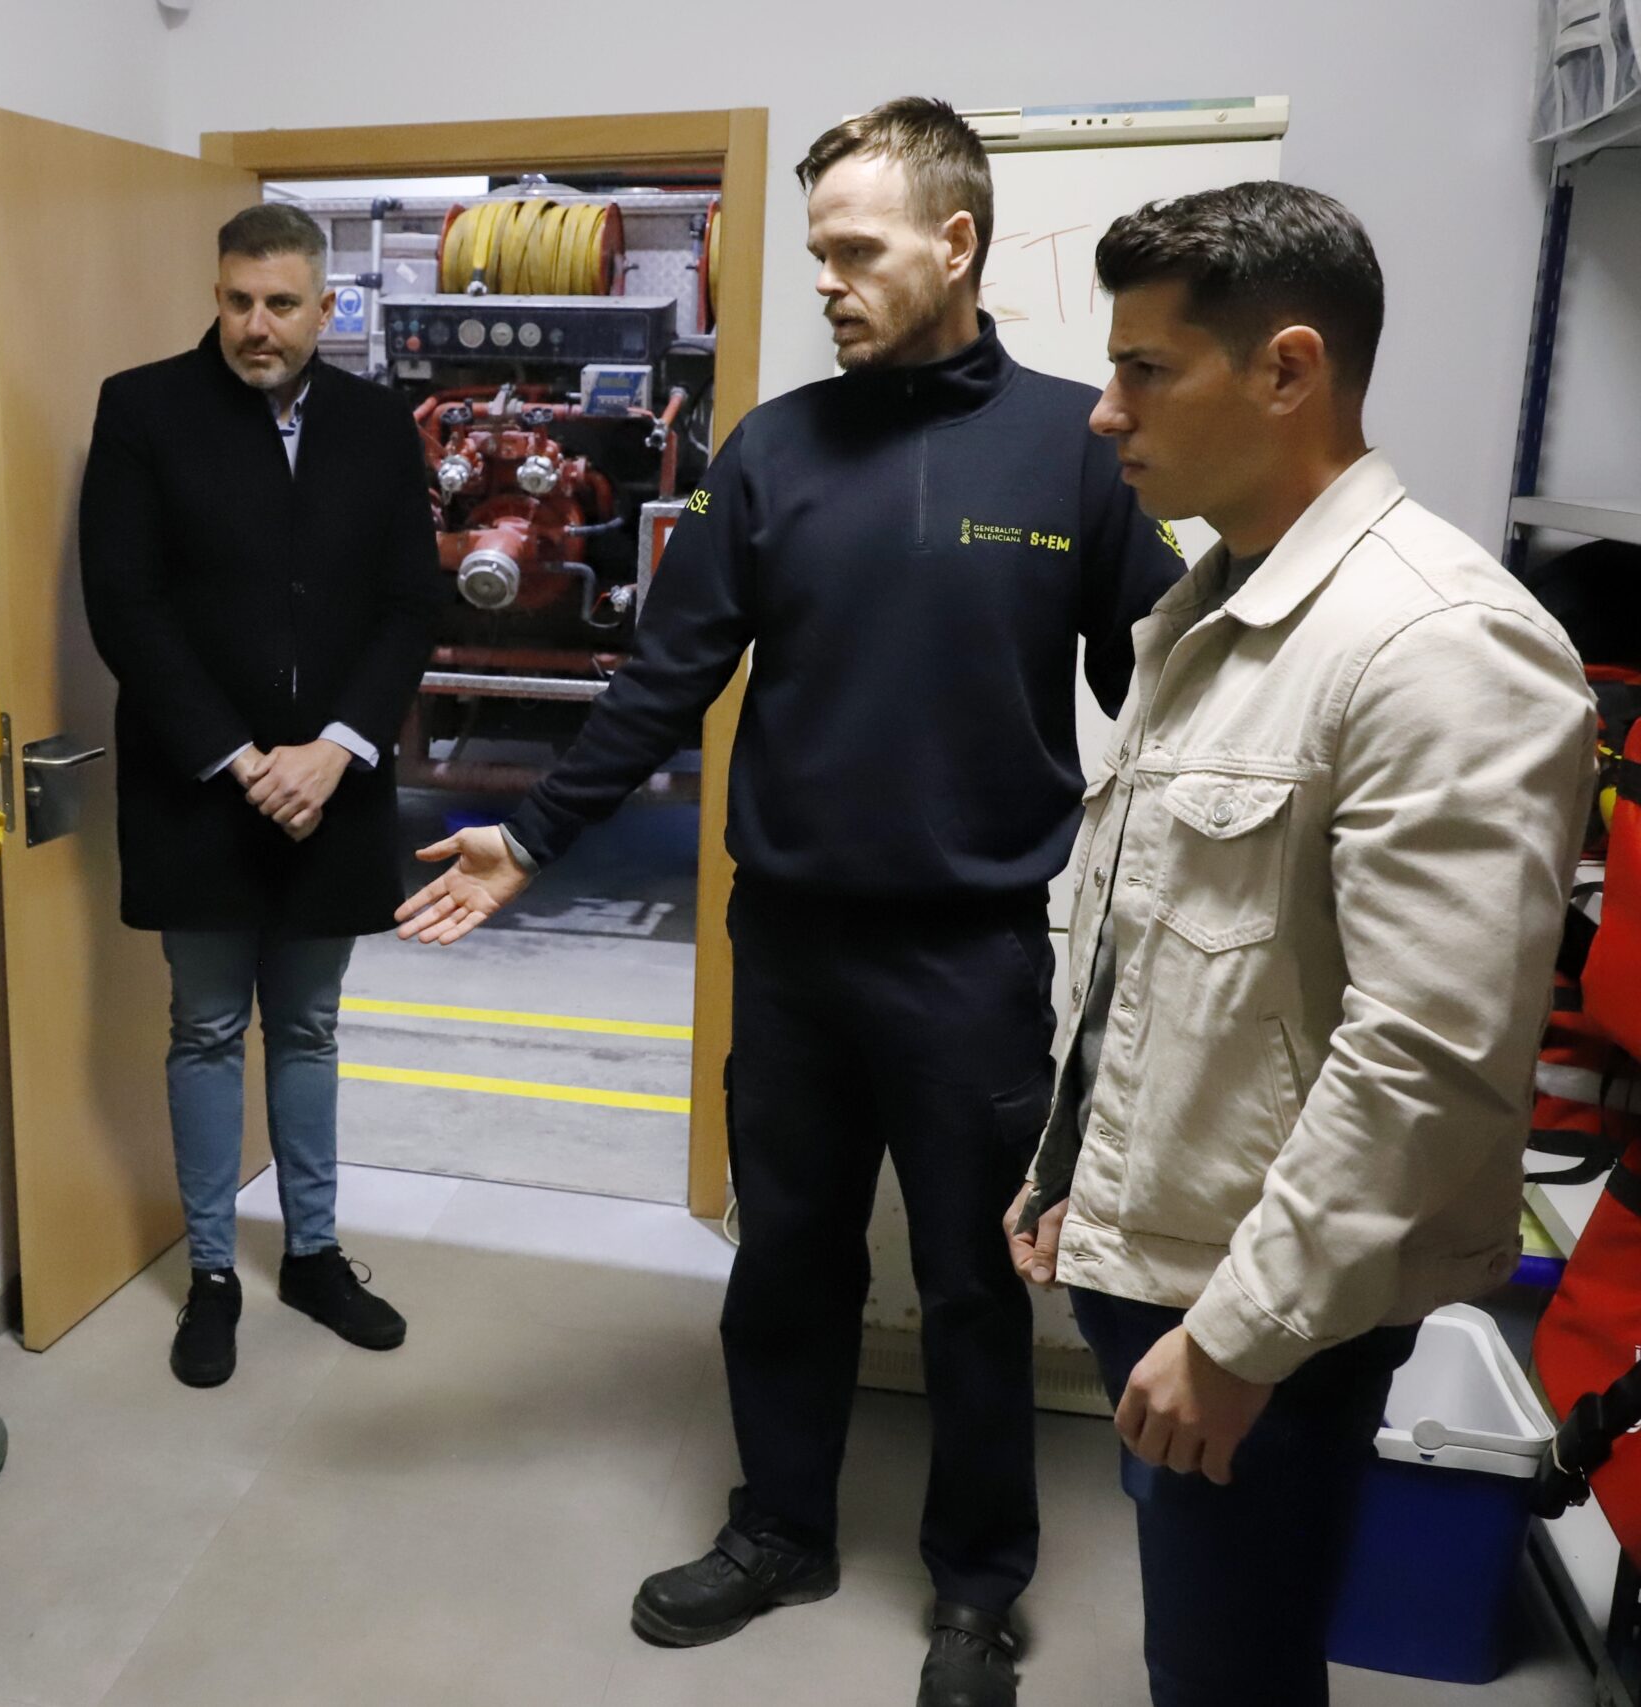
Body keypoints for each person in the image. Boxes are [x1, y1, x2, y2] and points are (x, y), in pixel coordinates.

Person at [396, 98, 1183, 1707]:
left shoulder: (1073, 449)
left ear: (955, 244)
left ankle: (978, 1586)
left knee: (972, 1284)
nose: (826, 280)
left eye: (856, 250)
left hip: (970, 958)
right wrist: (530, 835)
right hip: (796, 949)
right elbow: (662, 677)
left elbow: (1171, 688)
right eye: (818, 251)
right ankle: (781, 1528)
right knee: (792, 1261)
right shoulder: (772, 450)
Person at [1002, 181, 1593, 1705]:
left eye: (1145, 368)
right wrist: (1070, 1170)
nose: (1105, 411)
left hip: (1274, 1304)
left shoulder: (1439, 644)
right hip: (1185, 1258)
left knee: (1233, 1670)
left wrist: (1240, 1337)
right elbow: (1157, 949)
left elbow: (1429, 1056)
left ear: (1288, 369)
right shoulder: (1220, 606)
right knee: (1203, 1646)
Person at [80, 202, 443, 1391]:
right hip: (200, 786)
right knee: (202, 1028)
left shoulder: (378, 426)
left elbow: (409, 606)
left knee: (308, 1027)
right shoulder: (143, 411)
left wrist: (335, 749)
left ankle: (316, 1255)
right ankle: (211, 1275)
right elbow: (125, 606)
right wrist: (242, 760)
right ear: (217, 296)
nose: (256, 326)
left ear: (324, 308)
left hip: (334, 788)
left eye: (282, 304)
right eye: (238, 300)